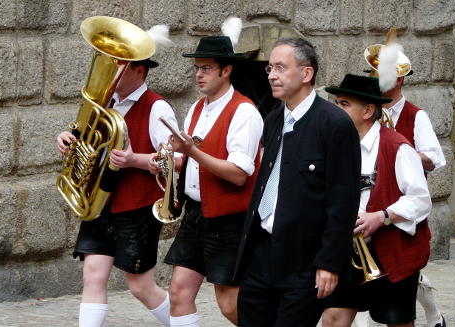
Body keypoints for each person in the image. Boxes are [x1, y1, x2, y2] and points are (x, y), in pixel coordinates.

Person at [234, 38, 361, 327]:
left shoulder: (335, 124)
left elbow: (343, 201)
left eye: (280, 67)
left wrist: (329, 262)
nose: (271, 75)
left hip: (305, 260)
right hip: (262, 252)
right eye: (269, 68)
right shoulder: (275, 119)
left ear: (307, 74)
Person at [56, 55, 178, 326]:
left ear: (139, 71)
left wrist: (135, 160)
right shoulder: (103, 102)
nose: (111, 73)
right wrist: (66, 139)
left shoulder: (157, 108)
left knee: (140, 287)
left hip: (137, 205)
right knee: (92, 274)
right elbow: (82, 136)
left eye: (120, 68)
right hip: (99, 200)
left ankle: (183, 323)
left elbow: (176, 160)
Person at [164, 32, 264, 327]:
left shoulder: (244, 111)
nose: (198, 74)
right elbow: (193, 165)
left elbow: (237, 175)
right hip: (196, 214)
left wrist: (192, 151)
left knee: (230, 304)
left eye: (206, 68)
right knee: (178, 292)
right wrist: (169, 162)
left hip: (229, 219)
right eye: (196, 68)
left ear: (226, 70)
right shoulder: (197, 108)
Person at [321, 74, 432, 327]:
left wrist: (382, 216)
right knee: (333, 318)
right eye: (336, 103)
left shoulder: (398, 147)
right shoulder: (334, 145)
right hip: (347, 252)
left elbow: (421, 200)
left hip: (392, 251)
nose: (336, 110)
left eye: (344, 104)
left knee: (397, 322)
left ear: (368, 110)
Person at [377, 56, 446, 327]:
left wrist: (400, 150)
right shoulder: (367, 111)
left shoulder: (416, 116)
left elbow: (435, 160)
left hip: (403, 208)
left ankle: (433, 315)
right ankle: (434, 316)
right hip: (371, 206)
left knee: (403, 272)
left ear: (401, 78)